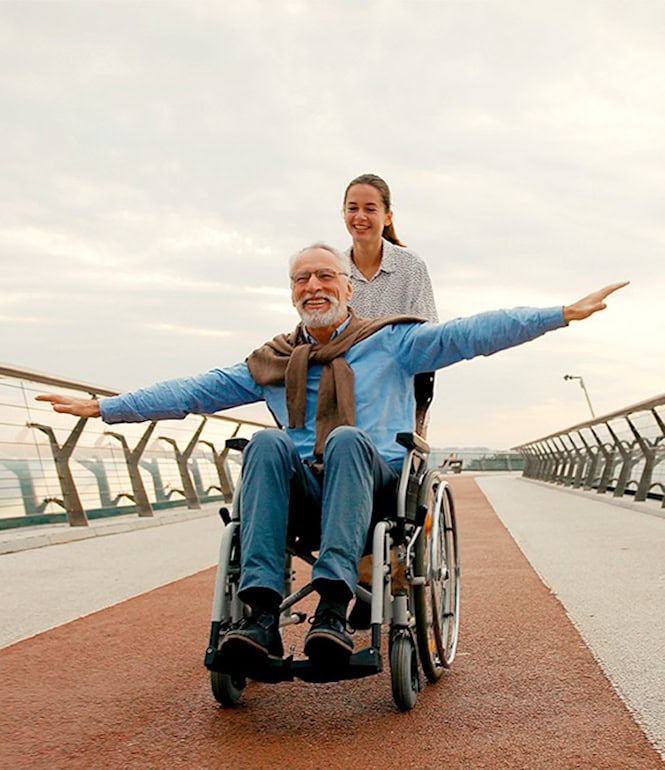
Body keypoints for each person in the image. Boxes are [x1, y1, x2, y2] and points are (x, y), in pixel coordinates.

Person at [36, 242, 627, 675]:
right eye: (301, 280)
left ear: (348, 288)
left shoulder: (392, 343)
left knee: (347, 438)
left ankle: (335, 606)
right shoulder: (270, 360)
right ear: (292, 293)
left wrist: (559, 314)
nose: (313, 286)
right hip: (301, 491)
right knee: (266, 441)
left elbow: (469, 334)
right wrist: (105, 408)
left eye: (325, 276)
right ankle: (262, 616)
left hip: (374, 486)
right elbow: (191, 391)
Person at [342, 173, 438, 322]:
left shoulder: (411, 266)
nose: (360, 216)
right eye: (353, 208)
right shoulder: (335, 272)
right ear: (344, 213)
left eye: (370, 209)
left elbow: (428, 332)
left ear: (387, 217)